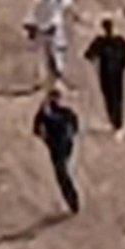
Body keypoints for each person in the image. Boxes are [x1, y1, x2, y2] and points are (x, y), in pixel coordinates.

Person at [32, 84, 83, 214]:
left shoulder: (50, 114)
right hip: (62, 145)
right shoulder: (64, 112)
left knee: (62, 173)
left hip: (59, 147)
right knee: (62, 173)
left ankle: (73, 202)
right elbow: (75, 125)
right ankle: (72, 202)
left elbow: (37, 130)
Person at [83, 17, 125, 137]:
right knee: (117, 97)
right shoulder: (121, 42)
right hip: (117, 73)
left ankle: (115, 122)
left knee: (110, 97)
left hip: (107, 73)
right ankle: (117, 122)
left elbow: (88, 55)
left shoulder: (102, 42)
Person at [27, 0, 76, 85]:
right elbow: (33, 14)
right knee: (43, 55)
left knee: (58, 51)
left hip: (55, 28)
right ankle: (44, 79)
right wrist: (32, 27)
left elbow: (68, 5)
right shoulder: (37, 0)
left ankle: (59, 75)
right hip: (42, 29)